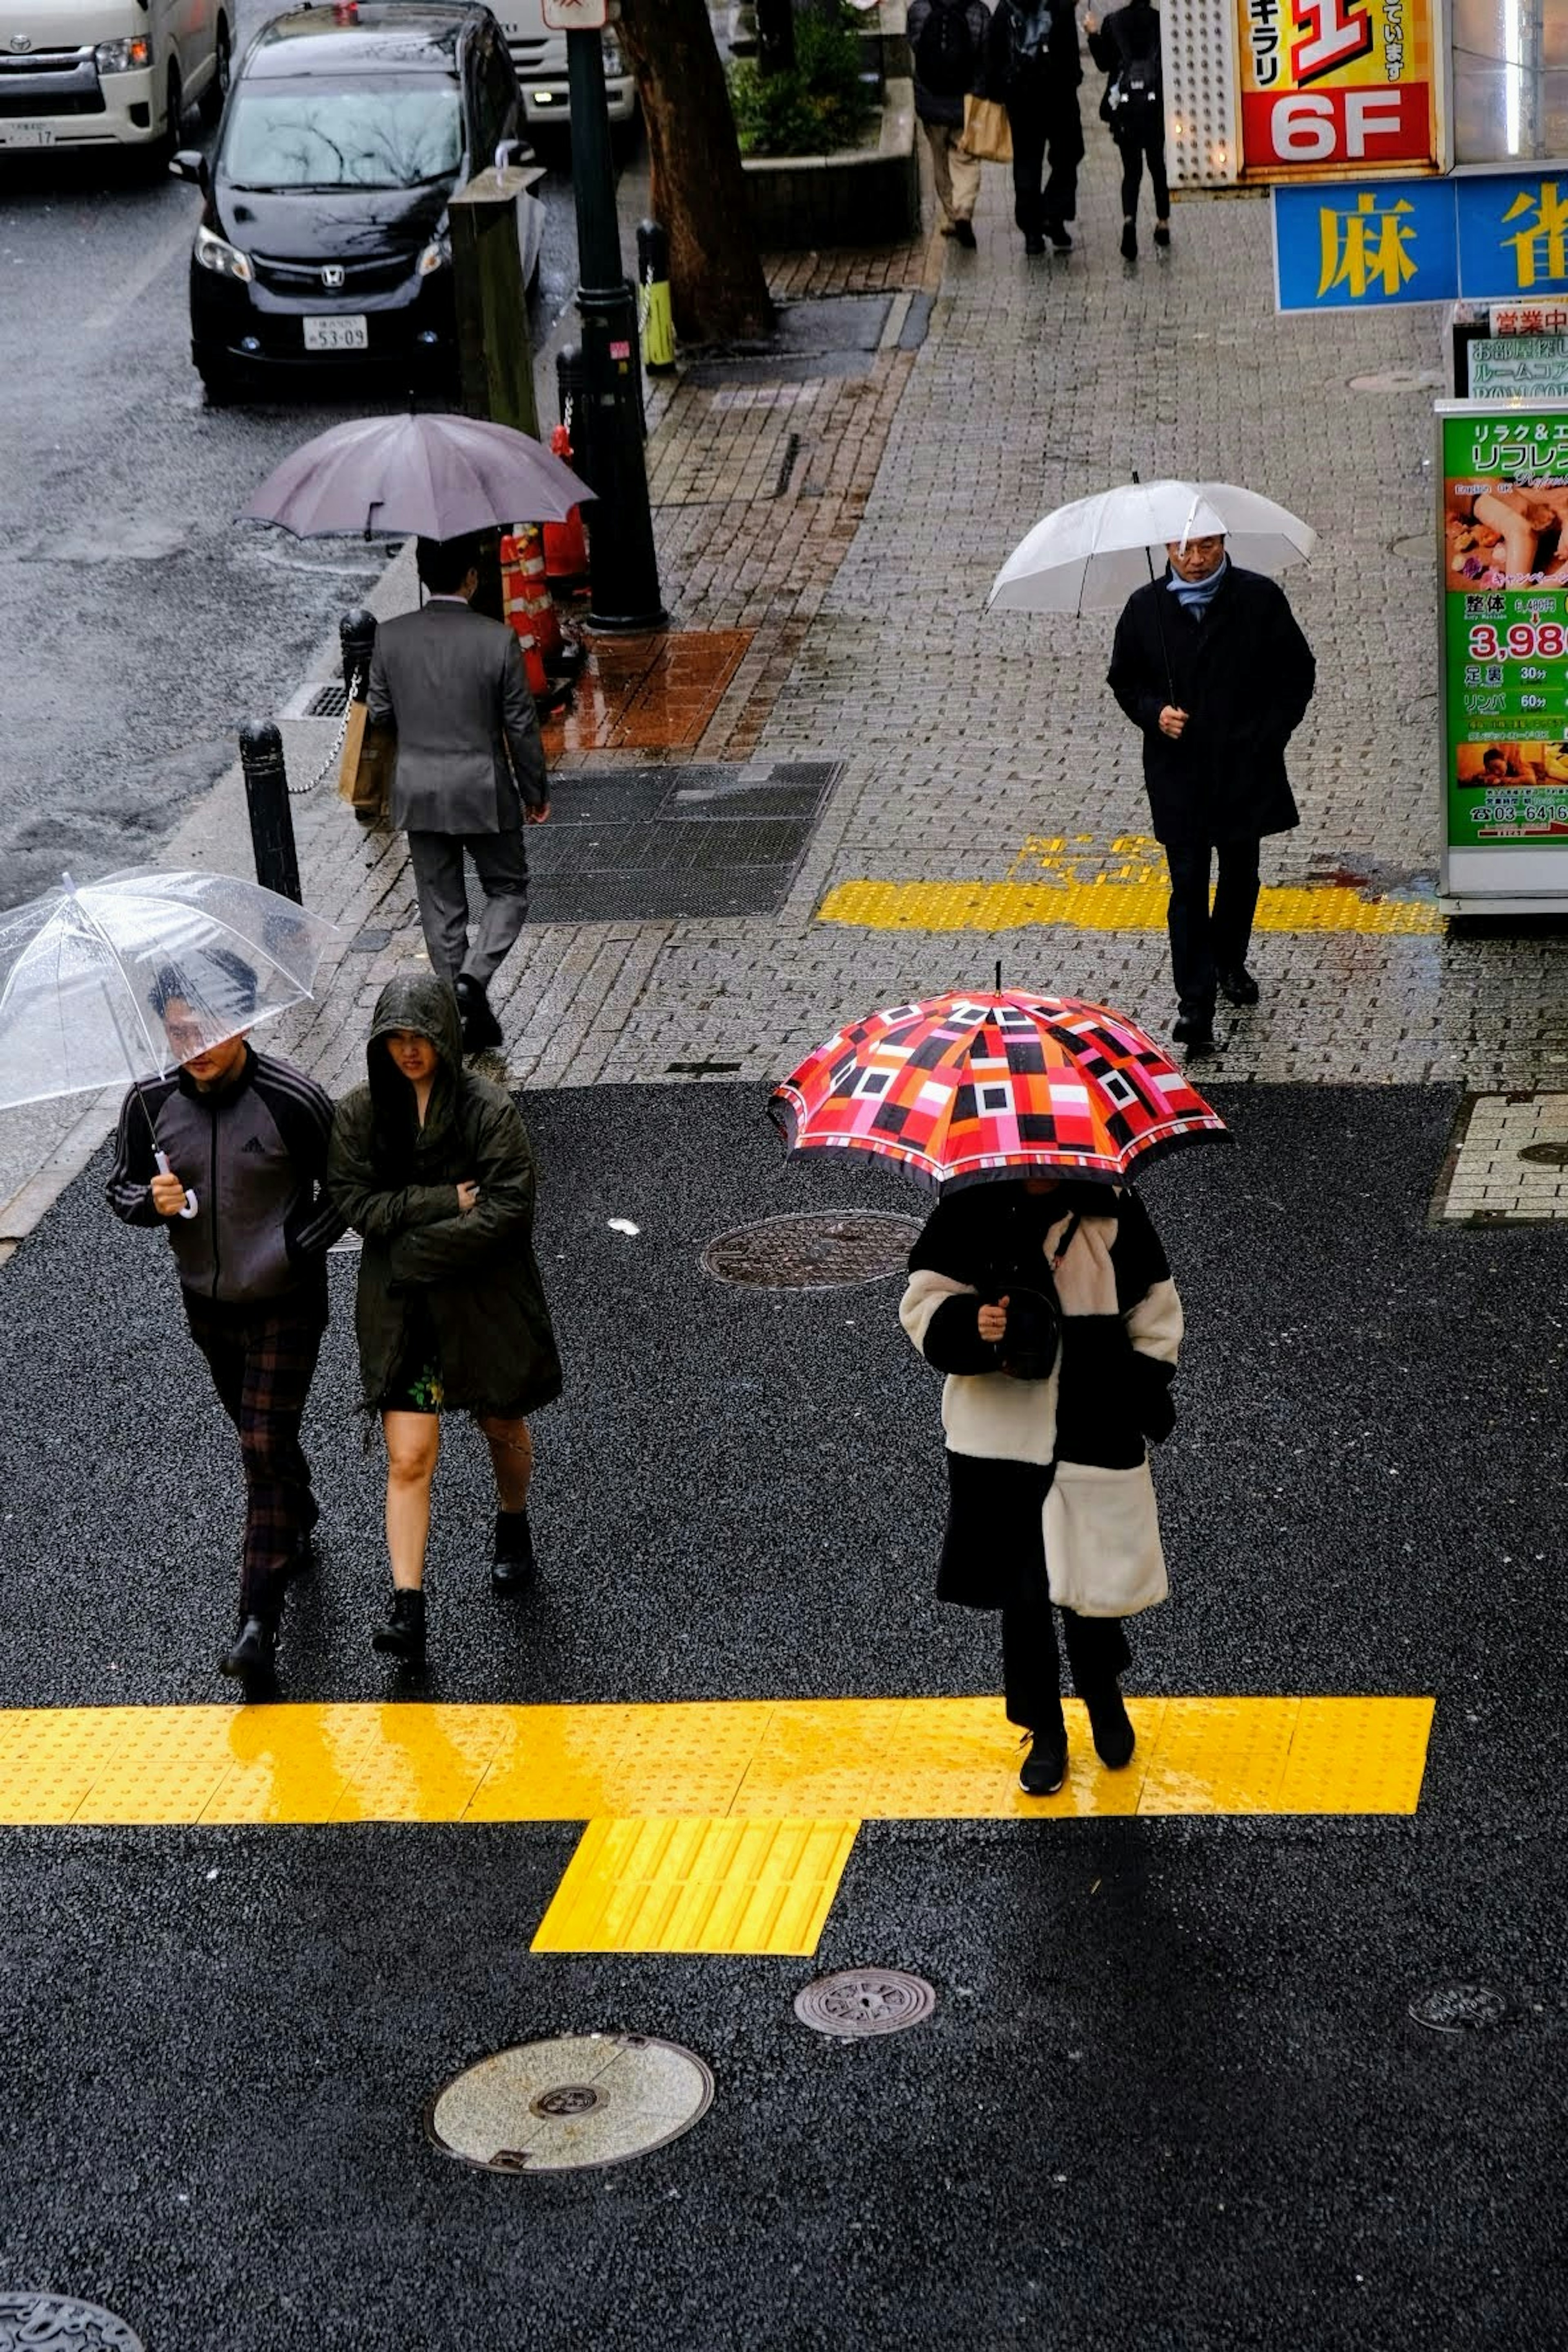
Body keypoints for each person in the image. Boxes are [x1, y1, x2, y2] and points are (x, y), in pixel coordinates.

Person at [900, 1176, 1183, 1795]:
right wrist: (973, 1325)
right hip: (1000, 1437)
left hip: (1094, 1427)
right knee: (1022, 1595)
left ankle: (1103, 1693)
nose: (1040, 1174)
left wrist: (1126, 1391)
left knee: (1094, 1587)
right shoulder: (967, 1212)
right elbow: (923, 1305)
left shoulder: (1112, 1209)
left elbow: (1156, 1316)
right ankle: (1045, 1729)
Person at [105, 953, 342, 1686]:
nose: (192, 1048)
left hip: (286, 1304)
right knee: (262, 1440)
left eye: (204, 1029)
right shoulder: (148, 1105)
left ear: (241, 1020)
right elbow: (119, 1186)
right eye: (176, 1034)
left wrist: (295, 1247)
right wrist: (153, 1202)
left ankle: (256, 1625)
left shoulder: (293, 1099)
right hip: (206, 1308)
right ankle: (296, 1514)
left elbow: (348, 1188)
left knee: (260, 1446)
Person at [326, 972, 563, 1666]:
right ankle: (408, 1607)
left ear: (444, 1038)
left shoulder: (488, 1110)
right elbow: (352, 1200)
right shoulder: (362, 1114)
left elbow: (510, 1206)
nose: (409, 1051)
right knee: (408, 1457)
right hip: (404, 1311)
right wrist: (438, 1203)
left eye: (420, 1037)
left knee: (501, 1423)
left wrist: (416, 1247)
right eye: (395, 1039)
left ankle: (513, 1522)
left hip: (482, 1302)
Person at [1107, 531, 1316, 1051]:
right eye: (1183, 549)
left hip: (1245, 768)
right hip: (1178, 773)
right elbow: (1124, 681)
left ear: (1224, 543)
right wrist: (1155, 713)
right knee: (1188, 884)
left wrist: (1268, 735)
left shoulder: (1258, 598)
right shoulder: (1144, 609)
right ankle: (1194, 1005)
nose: (1195, 560)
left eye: (1206, 547)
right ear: (1167, 551)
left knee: (1242, 873)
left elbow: (1296, 674)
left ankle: (1229, 960)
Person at [368, 532, 551, 1058]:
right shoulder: (497, 640)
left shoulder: (390, 638)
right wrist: (534, 791)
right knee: (508, 889)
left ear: (423, 576)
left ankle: (457, 1011)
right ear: (472, 578)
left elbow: (380, 714)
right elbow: (521, 726)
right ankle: (475, 980)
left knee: (441, 906)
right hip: (483, 790)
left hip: (419, 793)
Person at [987, 0, 1085, 256]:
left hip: (1022, 97)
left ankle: (1033, 231)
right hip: (1058, 95)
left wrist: (1003, 87)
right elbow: (1070, 54)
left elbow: (994, 53)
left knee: (1028, 161)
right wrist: (1073, 79)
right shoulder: (1058, 7)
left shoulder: (1006, 9)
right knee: (1068, 153)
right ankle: (1054, 213)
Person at [1086, 0, 1168, 261]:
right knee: (1157, 165)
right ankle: (1163, 221)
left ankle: (1129, 221)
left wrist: (1092, 34)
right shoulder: (1160, 22)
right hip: (1155, 109)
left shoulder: (1114, 22)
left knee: (1131, 170)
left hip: (1126, 109)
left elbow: (1103, 64)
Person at [907, 0, 991, 246]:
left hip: (931, 99)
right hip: (965, 100)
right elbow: (985, 53)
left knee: (940, 158)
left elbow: (915, 45)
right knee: (966, 158)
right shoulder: (978, 11)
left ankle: (951, 217)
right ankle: (964, 208)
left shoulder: (919, 9)